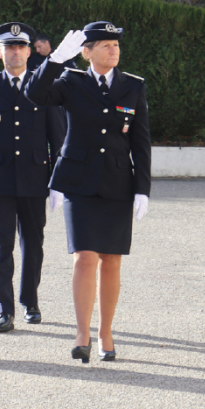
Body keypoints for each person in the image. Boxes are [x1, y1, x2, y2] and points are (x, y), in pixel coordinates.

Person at [25, 22, 151, 363]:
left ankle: (105, 332)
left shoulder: (132, 86)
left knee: (111, 260)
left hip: (118, 183)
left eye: (116, 45)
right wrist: (54, 61)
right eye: (105, 45)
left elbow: (140, 141)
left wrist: (143, 188)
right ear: (87, 52)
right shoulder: (71, 81)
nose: (113, 50)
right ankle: (82, 333)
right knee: (84, 257)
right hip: (79, 182)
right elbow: (33, 95)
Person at [0, 22, 65, 333]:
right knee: (1, 247)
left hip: (36, 179)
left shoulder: (43, 86)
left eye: (21, 46)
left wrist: (58, 182)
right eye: (9, 47)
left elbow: (57, 137)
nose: (15, 52)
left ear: (28, 51)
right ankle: (3, 310)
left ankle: (30, 302)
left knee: (34, 244)